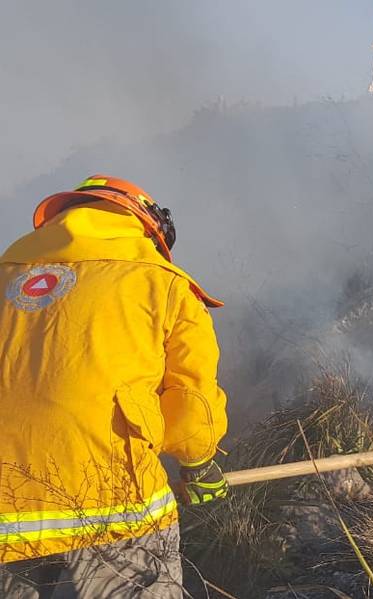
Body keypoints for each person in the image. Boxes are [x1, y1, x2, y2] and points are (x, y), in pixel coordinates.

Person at [0, 176, 229, 598]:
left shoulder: (5, 274)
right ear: (149, 226)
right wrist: (199, 466)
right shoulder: (163, 283)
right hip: (113, 508)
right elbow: (192, 401)